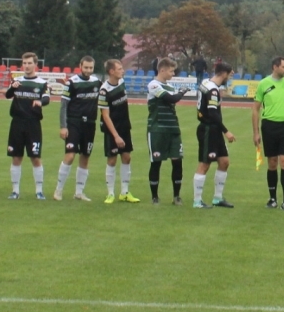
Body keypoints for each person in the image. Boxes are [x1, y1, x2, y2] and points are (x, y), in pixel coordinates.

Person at [252, 56, 284, 210]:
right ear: (275, 67)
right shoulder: (263, 84)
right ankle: (272, 198)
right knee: (272, 162)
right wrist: (256, 132)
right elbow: (255, 109)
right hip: (269, 126)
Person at [5, 53, 51, 200]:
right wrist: (12, 88)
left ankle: (39, 191)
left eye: (29, 63)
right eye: (24, 63)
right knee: (16, 157)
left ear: (35, 65)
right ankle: (15, 191)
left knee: (35, 157)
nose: (26, 66)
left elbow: (47, 98)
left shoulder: (42, 83)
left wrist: (40, 102)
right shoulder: (17, 81)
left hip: (33, 123)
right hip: (17, 123)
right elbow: (7, 95)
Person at [146, 57, 191, 205]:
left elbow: (173, 97)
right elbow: (171, 99)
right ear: (162, 70)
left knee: (177, 161)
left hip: (173, 129)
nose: (173, 74)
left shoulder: (170, 87)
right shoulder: (153, 85)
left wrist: (179, 93)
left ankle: (176, 196)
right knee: (156, 162)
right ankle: (154, 197)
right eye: (171, 71)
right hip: (157, 130)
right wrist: (182, 92)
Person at [54, 56, 100, 201]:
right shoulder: (71, 83)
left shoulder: (97, 82)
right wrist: (63, 126)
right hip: (74, 123)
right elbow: (63, 106)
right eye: (86, 67)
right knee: (70, 155)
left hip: (90, 124)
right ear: (80, 66)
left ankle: (79, 192)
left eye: (91, 68)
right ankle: (58, 190)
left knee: (85, 157)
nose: (88, 70)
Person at [193, 60, 236, 208]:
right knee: (205, 164)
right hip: (208, 130)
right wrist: (226, 131)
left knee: (224, 162)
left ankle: (217, 198)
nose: (229, 78)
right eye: (229, 75)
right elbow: (212, 113)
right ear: (223, 74)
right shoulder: (212, 90)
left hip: (213, 129)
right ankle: (197, 201)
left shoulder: (206, 82)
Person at [99, 58, 140, 204]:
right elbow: (105, 115)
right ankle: (110, 193)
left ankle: (125, 192)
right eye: (119, 68)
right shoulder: (104, 90)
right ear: (111, 71)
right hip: (112, 130)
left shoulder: (121, 82)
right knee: (112, 159)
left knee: (127, 157)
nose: (123, 70)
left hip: (124, 127)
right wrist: (116, 136)